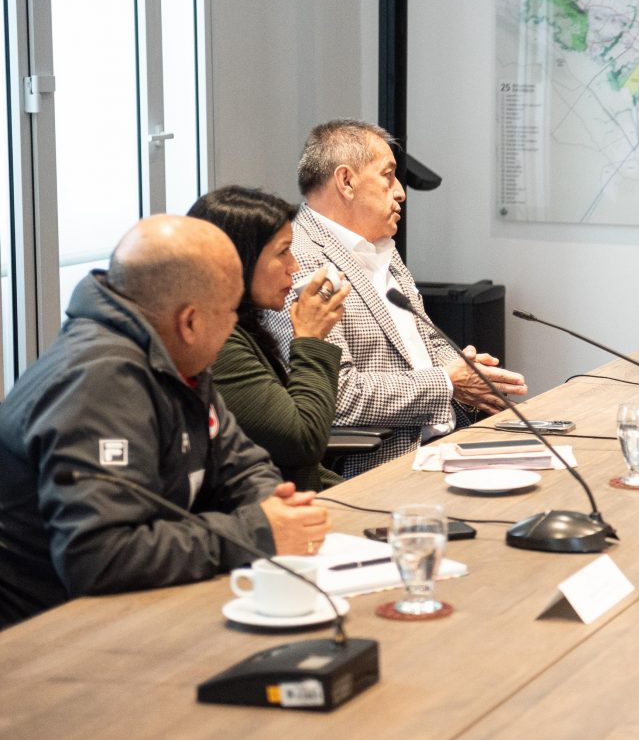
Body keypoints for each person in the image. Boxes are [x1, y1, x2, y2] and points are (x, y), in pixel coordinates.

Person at [0, 216, 330, 628]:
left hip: (140, 609)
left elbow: (240, 463)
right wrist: (257, 532)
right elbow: (100, 557)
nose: (233, 326)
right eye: (230, 313)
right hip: (50, 639)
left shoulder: (174, 355)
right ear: (189, 322)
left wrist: (273, 506)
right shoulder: (99, 384)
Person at [272, 119, 527, 476]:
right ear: (346, 181)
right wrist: (448, 382)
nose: (400, 192)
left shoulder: (381, 248)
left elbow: (424, 342)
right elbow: (339, 397)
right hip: (382, 464)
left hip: (444, 444)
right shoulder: (300, 261)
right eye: (388, 176)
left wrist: (464, 370)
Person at [189, 186, 352, 491]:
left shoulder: (244, 326)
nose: (295, 266)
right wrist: (310, 338)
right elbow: (302, 441)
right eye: (282, 252)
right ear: (238, 261)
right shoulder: (218, 346)